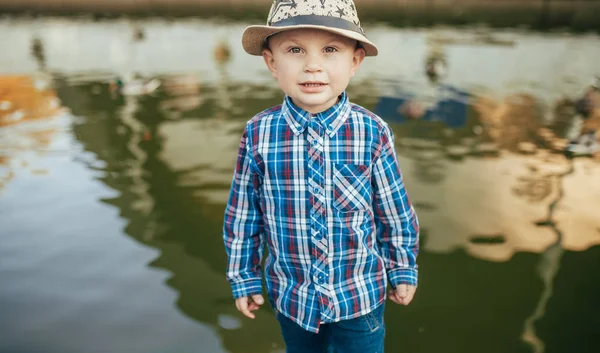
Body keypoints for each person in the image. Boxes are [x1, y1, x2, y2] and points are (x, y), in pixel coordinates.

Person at [222, 1, 419, 352]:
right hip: (292, 298)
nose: (313, 65)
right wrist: (244, 276)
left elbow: (394, 211)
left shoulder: (372, 132)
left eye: (330, 50)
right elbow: (243, 215)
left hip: (358, 297)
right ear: (271, 62)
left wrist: (401, 267)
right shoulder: (258, 133)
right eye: (295, 50)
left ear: (354, 61)